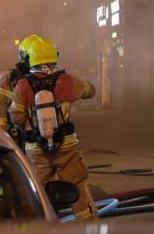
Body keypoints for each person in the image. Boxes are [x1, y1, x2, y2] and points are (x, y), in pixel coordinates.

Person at [9, 36, 97, 220]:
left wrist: (31, 129)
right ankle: (89, 229)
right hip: (67, 146)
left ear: (28, 58)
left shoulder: (23, 85)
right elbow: (91, 91)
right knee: (77, 186)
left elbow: (16, 115)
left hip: (36, 149)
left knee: (37, 192)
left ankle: (41, 231)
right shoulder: (67, 81)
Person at [0, 35, 35, 142]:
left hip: (36, 139)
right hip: (18, 139)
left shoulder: (43, 79)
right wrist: (5, 138)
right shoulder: (8, 80)